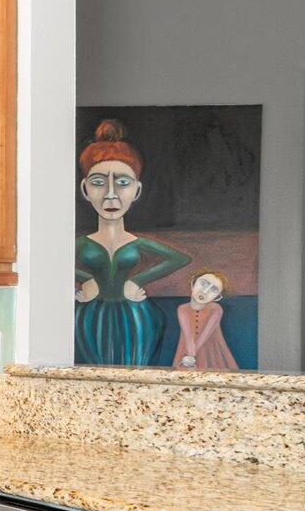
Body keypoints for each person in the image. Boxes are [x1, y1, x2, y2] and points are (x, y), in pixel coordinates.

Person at [74, 120, 190, 366]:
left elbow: (179, 259)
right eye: (98, 182)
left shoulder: (136, 242)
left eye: (123, 183)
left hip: (134, 317)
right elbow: (51, 262)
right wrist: (86, 280)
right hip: (92, 316)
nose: (111, 193)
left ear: (137, 190)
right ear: (85, 189)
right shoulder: (83, 243)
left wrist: (135, 281)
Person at [172, 270, 240, 371]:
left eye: (213, 290)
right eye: (203, 283)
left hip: (213, 354)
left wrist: (190, 356)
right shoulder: (182, 309)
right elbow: (188, 337)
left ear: (218, 296)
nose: (205, 291)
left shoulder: (216, 309)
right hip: (186, 351)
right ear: (193, 284)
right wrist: (187, 357)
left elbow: (204, 335)